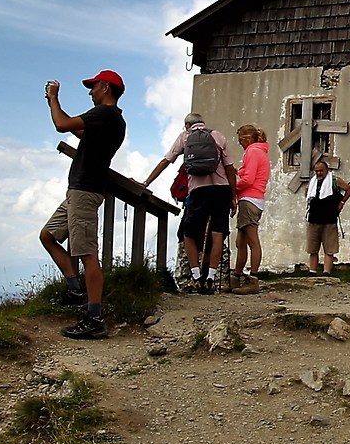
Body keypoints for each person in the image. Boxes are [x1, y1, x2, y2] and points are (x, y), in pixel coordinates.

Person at [41, 70, 127, 339]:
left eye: (93, 87)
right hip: (80, 190)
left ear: (105, 87)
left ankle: (94, 317)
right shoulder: (112, 120)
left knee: (87, 253)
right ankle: (75, 289)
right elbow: (77, 129)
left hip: (85, 190)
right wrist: (56, 106)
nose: (90, 92)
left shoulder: (104, 114)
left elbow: (61, 125)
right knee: (48, 235)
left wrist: (54, 99)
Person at [147, 113, 236, 295]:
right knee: (217, 233)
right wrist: (233, 196)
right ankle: (211, 276)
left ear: (188, 124)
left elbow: (167, 160)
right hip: (221, 190)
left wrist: (146, 182)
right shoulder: (218, 136)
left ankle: (196, 276)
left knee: (188, 234)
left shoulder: (185, 137)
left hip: (198, 191)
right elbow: (229, 168)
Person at [230, 124, 271, 292]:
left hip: (249, 198)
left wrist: (232, 187)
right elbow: (248, 174)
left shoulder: (252, 152)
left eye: (240, 141)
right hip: (253, 199)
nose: (240, 144)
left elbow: (248, 180)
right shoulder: (259, 152)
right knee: (241, 241)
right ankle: (237, 276)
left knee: (252, 240)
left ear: (247, 139)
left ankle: (253, 279)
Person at [302, 153, 345, 274]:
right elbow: (307, 196)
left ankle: (327, 271)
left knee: (329, 249)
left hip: (329, 219)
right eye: (316, 171)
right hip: (314, 219)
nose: (319, 173)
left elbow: (349, 189)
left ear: (326, 170)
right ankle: (312, 271)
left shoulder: (335, 180)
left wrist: (341, 202)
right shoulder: (312, 182)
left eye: (321, 170)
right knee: (312, 248)